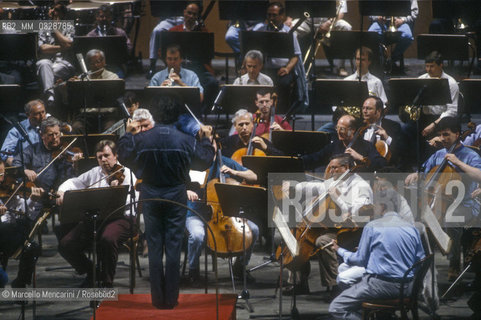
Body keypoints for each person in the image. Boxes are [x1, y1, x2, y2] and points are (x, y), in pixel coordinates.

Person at [117, 96, 215, 309]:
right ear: (177, 117)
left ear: (156, 116)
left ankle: (157, 300)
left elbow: (123, 156)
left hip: (151, 194)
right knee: (172, 247)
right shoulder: (186, 139)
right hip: (176, 195)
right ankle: (170, 300)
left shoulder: (142, 139)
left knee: (154, 246)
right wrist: (206, 139)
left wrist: (127, 133)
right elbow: (204, 161)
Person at [329, 186, 425, 320]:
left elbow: (359, 260)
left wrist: (340, 250)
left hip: (379, 286)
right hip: (407, 287)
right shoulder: (412, 229)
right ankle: (381, 314)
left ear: (382, 206)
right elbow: (420, 260)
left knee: (336, 307)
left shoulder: (373, 226)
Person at [285, 154, 373, 296]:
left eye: (334, 168)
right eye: (330, 168)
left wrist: (336, 197)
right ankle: (299, 283)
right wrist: (295, 186)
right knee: (297, 237)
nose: (330, 171)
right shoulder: (335, 181)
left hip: (352, 231)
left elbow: (356, 213)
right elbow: (314, 187)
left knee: (323, 241)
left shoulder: (361, 186)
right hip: (336, 227)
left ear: (345, 168)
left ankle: (335, 286)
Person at [405, 117, 481, 281]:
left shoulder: (470, 155)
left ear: (458, 134)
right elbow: (425, 174)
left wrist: (458, 163)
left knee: (451, 219)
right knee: (417, 221)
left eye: (447, 135)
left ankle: (454, 266)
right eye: (440, 135)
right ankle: (424, 267)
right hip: (438, 203)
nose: (443, 139)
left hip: (465, 204)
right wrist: (416, 175)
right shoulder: (439, 154)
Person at [55, 140, 137, 288]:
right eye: (100, 157)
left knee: (107, 238)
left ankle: (106, 281)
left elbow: (132, 204)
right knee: (66, 245)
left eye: (107, 155)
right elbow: (74, 182)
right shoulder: (95, 173)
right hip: (98, 219)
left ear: (115, 155)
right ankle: (92, 272)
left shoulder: (127, 174)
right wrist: (62, 191)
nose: (103, 160)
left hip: (123, 219)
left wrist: (116, 191)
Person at [185, 152, 259, 285]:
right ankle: (193, 270)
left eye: (211, 143)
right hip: (197, 213)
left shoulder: (225, 162)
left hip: (226, 214)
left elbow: (253, 176)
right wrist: (185, 190)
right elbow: (175, 182)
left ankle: (240, 266)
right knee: (197, 235)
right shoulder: (190, 162)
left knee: (254, 230)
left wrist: (234, 172)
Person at [12, 117, 76, 219]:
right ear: (42, 135)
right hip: (39, 196)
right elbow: (16, 162)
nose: (55, 137)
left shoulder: (66, 151)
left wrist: (75, 163)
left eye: (57, 134)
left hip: (61, 195)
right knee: (29, 219)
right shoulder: (33, 149)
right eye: (50, 135)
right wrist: (25, 170)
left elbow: (72, 177)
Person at [252, 2, 308, 108]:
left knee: (284, 84)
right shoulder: (261, 30)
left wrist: (287, 69)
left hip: (281, 70)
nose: (271, 18)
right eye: (269, 15)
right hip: (264, 69)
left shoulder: (289, 33)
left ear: (282, 16)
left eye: (274, 15)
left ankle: (282, 113)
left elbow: (296, 55)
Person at [169, 2, 219, 114]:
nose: (191, 16)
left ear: (197, 16)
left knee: (212, 83)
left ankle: (202, 112)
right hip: (178, 68)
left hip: (198, 67)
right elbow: (162, 52)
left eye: (194, 14)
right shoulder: (173, 31)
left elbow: (208, 54)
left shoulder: (203, 31)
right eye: (189, 13)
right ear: (184, 12)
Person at [0, 159, 44, 289]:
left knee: (32, 248)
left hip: (6, 237)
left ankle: (20, 283)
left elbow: (22, 212)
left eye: (2, 174)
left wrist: (31, 200)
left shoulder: (9, 191)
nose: (1, 180)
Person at [302, 114, 387, 171]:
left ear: (353, 130)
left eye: (342, 129)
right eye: (337, 128)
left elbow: (382, 164)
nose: (338, 132)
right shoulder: (335, 145)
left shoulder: (366, 146)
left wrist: (361, 158)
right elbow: (315, 158)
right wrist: (296, 161)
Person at [36, 3, 75, 109]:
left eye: (56, 10)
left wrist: (55, 29)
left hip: (64, 64)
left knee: (48, 72)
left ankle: (47, 98)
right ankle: (50, 97)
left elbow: (69, 43)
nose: (53, 11)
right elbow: (42, 48)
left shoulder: (69, 27)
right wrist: (63, 47)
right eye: (52, 8)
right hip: (47, 62)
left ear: (63, 14)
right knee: (43, 64)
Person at [368, 0, 418, 73]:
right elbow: (369, 10)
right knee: (370, 35)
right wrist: (377, 17)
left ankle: (392, 60)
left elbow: (414, 12)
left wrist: (403, 20)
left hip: (400, 23)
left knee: (408, 36)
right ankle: (380, 60)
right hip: (381, 22)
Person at [86, 4, 132, 78]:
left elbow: (128, 49)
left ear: (111, 18)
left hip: (115, 66)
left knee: (117, 80)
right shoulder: (91, 35)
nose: (104, 19)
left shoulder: (120, 33)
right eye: (101, 16)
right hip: (96, 66)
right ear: (97, 17)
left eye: (107, 17)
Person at [1, 100, 47, 165]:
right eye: (37, 113)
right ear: (28, 115)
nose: (42, 116)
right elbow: (4, 153)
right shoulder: (17, 131)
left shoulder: (49, 126)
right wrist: (21, 168)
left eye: (43, 112)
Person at [361, 96, 402, 167]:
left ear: (378, 111)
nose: (364, 111)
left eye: (369, 108)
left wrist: (387, 137)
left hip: (385, 168)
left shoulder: (393, 126)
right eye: (363, 108)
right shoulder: (360, 127)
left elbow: (400, 151)